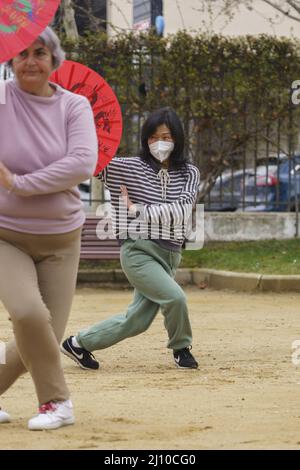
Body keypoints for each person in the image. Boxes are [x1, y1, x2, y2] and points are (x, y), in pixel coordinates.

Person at [0, 27, 98, 430]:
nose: (30, 62)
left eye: (39, 53)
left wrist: (19, 183)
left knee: (41, 339)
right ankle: (57, 403)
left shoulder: (74, 107)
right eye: (20, 54)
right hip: (5, 233)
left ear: (54, 61)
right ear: (9, 61)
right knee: (28, 314)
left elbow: (80, 163)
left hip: (62, 239)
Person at [61, 107, 200, 371]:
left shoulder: (189, 173)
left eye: (166, 136)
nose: (159, 143)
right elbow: (89, 162)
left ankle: (78, 343)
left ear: (178, 139)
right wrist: (74, 130)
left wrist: (138, 210)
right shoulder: (126, 167)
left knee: (137, 320)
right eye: (152, 137)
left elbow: (181, 211)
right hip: (138, 251)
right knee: (175, 298)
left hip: (170, 254)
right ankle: (181, 347)